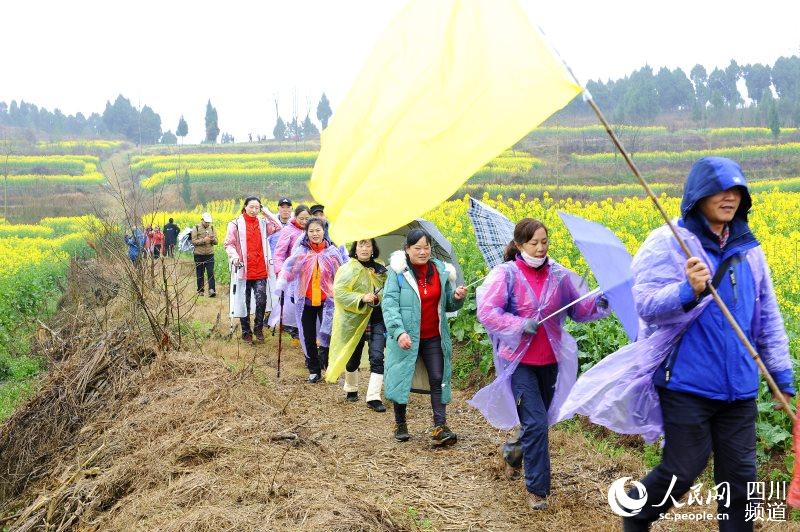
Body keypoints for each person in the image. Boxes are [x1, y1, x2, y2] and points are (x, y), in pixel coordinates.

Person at [604, 157, 794, 531]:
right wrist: (685, 291)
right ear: (698, 195)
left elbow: (768, 317)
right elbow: (644, 305)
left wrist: (781, 377)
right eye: (720, 190)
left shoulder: (748, 250)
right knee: (683, 468)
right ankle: (637, 512)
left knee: (741, 481)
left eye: (737, 190)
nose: (730, 197)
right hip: (687, 382)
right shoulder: (669, 243)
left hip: (739, 386)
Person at [470, 218, 610, 511]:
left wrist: (601, 300)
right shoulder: (505, 275)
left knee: (539, 422)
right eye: (533, 243)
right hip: (519, 362)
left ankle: (513, 451)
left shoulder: (559, 276)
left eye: (544, 242)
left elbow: (580, 311)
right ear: (519, 245)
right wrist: (519, 323)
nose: (540, 248)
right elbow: (487, 312)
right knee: (535, 422)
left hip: (550, 361)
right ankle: (538, 490)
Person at [382, 229, 467, 446]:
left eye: (426, 247)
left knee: (438, 378)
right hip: (406, 336)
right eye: (417, 248)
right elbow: (389, 305)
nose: (423, 252)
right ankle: (400, 423)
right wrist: (398, 332)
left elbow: (447, 303)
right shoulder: (398, 273)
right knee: (401, 377)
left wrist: (456, 297)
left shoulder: (440, 270)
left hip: (433, 336)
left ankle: (440, 426)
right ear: (407, 249)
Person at [276, 217, 343, 383]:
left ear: (324, 232)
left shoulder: (332, 252)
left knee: (329, 333)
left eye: (318, 230)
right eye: (311, 231)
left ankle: (328, 366)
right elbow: (290, 269)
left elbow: (341, 275)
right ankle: (313, 369)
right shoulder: (302, 252)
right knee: (308, 335)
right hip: (306, 300)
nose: (315, 234)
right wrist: (283, 281)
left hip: (327, 301)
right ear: (306, 233)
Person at [326, 238, 388, 412]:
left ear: (373, 248)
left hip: (377, 319)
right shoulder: (347, 269)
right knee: (353, 358)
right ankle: (351, 388)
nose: (364, 248)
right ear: (355, 248)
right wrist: (361, 298)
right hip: (355, 321)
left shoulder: (381, 269)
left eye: (368, 245)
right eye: (361, 245)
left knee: (377, 357)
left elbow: (388, 291)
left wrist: (378, 297)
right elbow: (340, 293)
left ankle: (373, 397)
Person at [224, 197, 279, 343]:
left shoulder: (262, 223)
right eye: (251, 207)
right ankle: (246, 331)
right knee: (244, 302)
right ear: (245, 207)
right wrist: (234, 257)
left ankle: (258, 328)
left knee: (261, 300)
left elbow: (278, 226)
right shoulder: (235, 224)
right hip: (244, 270)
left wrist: (265, 212)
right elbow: (229, 244)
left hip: (260, 269)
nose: (254, 210)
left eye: (257, 208)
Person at [273, 204, 311, 274]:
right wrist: (280, 271)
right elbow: (279, 253)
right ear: (295, 217)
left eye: (307, 219)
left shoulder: (311, 230)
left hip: (308, 270)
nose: (304, 222)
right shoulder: (288, 230)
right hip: (291, 271)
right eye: (301, 219)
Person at [191, 213, 217, 297]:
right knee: (200, 273)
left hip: (210, 254)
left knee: (210, 273)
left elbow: (217, 241)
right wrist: (203, 240)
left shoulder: (212, 228)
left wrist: (213, 240)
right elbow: (193, 241)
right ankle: (200, 290)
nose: (207, 224)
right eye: (206, 222)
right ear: (202, 220)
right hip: (199, 255)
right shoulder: (196, 228)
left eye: (209, 222)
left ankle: (211, 290)